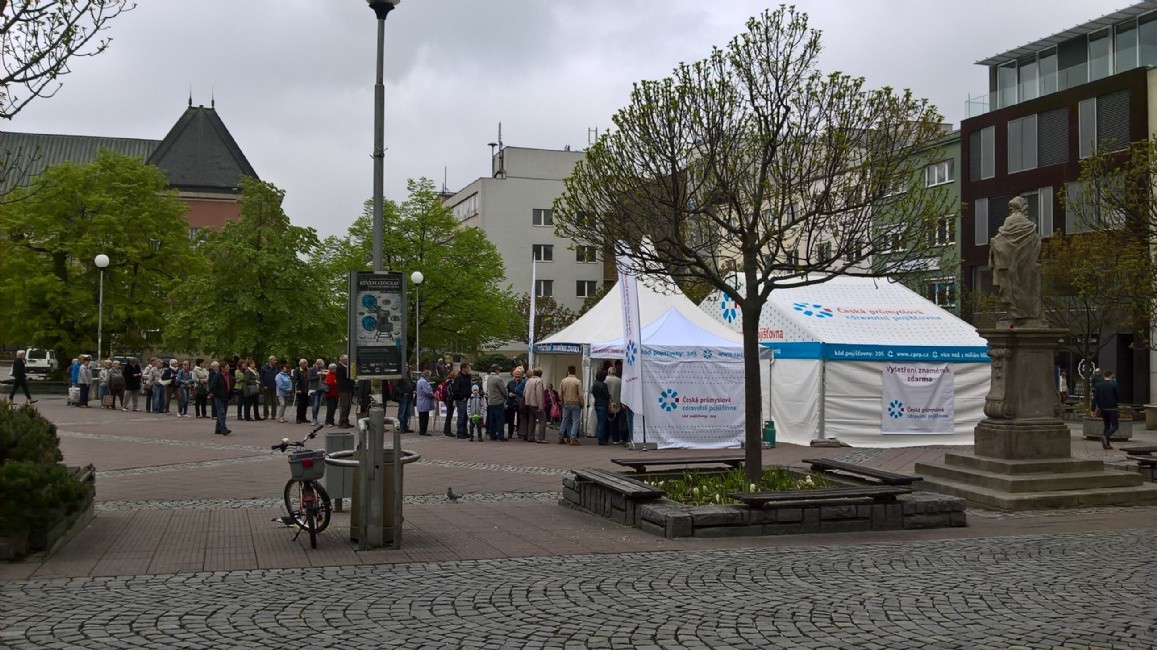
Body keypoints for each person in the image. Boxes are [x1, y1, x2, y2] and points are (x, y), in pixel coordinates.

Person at [989, 195, 1043, 324]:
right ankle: (1029, 313)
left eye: (1011, 208)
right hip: (1026, 265)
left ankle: (1016, 313)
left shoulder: (1010, 220)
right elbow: (1036, 244)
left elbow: (1000, 241)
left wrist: (993, 245)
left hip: (1011, 265)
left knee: (1011, 287)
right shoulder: (1030, 227)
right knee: (1027, 287)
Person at [1091, 370, 1122, 450]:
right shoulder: (1114, 384)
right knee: (1115, 426)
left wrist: (1093, 409)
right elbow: (1119, 397)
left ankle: (1107, 444)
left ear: (1104, 376)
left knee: (1107, 425)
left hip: (1103, 408)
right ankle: (1105, 436)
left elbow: (1095, 398)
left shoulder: (1099, 385)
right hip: (1112, 408)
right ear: (1111, 375)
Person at [558, 365, 583, 445]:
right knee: (575, 421)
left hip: (566, 403)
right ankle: (572, 438)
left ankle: (561, 437)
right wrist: (582, 403)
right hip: (576, 403)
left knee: (565, 420)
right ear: (575, 372)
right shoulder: (578, 381)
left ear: (568, 371)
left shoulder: (563, 381)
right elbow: (580, 395)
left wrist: (561, 401)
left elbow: (560, 393)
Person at [483, 365, 509, 441]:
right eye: (499, 370)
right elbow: (503, 390)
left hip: (491, 401)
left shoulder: (489, 378)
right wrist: (506, 395)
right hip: (498, 401)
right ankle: (501, 435)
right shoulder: (497, 378)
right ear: (496, 370)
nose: (499, 371)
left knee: (492, 419)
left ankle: (492, 435)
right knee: (500, 419)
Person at [207, 361, 231, 435]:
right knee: (221, 413)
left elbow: (230, 385)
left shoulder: (228, 375)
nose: (228, 369)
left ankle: (218, 429)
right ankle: (224, 429)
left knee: (223, 413)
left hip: (226, 397)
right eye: (226, 368)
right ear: (222, 368)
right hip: (219, 397)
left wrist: (231, 394)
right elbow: (212, 387)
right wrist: (217, 394)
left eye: (228, 368)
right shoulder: (218, 376)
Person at [451, 363, 474, 439]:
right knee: (461, 416)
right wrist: (462, 397)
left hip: (467, 398)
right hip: (461, 400)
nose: (469, 369)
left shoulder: (467, 377)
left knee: (466, 416)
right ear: (463, 368)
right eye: (468, 367)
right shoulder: (459, 378)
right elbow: (456, 389)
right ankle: (460, 432)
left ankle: (464, 431)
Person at [523, 367, 544, 443]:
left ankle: (530, 436)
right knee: (543, 419)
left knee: (532, 419)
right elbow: (539, 394)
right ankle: (541, 438)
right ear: (541, 374)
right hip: (535, 403)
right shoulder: (539, 381)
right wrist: (540, 406)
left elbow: (525, 392)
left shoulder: (528, 380)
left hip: (528, 403)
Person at [590, 369, 611, 445]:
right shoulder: (604, 385)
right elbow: (606, 395)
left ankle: (600, 437)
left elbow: (593, 393)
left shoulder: (594, 384)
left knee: (599, 422)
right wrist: (609, 396)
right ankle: (601, 439)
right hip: (603, 404)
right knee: (602, 423)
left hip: (597, 403)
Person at [605, 365, 624, 444]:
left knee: (606, 422)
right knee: (615, 423)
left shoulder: (604, 380)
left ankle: (605, 439)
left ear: (608, 372)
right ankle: (616, 439)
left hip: (606, 403)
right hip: (616, 404)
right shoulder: (619, 381)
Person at [505, 366, 524, 440]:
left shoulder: (522, 382)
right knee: (510, 419)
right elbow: (507, 391)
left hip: (519, 402)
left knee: (520, 418)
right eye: (516, 376)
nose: (517, 378)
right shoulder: (510, 383)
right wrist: (509, 394)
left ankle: (519, 433)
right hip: (511, 402)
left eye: (518, 376)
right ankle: (510, 433)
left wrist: (517, 395)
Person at [395, 364, 415, 432]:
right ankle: (400, 427)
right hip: (404, 396)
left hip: (409, 395)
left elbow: (411, 383)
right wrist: (402, 393)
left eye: (407, 366)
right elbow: (396, 386)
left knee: (407, 413)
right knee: (402, 412)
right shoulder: (400, 375)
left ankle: (405, 427)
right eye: (405, 366)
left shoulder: (408, 374)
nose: (407, 367)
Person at [259, 355, 279, 421]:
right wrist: (263, 385)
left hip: (274, 387)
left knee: (274, 402)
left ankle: (273, 415)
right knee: (266, 402)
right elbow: (261, 378)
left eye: (275, 360)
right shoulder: (263, 368)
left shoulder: (276, 368)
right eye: (274, 360)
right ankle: (265, 415)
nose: (275, 361)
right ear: (270, 360)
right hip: (266, 387)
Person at [416, 370, 435, 436]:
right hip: (424, 401)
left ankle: (422, 430)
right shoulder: (423, 382)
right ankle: (423, 431)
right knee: (424, 417)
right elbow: (427, 391)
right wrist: (433, 395)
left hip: (421, 401)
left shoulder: (419, 381)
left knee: (421, 417)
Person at [292, 358, 310, 424]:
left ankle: (303, 418)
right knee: (300, 404)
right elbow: (296, 380)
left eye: (307, 363)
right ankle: (298, 418)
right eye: (305, 363)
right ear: (301, 364)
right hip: (300, 390)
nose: (306, 364)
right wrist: (298, 389)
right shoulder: (297, 370)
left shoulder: (308, 370)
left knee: (305, 404)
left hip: (307, 390)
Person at [308, 359, 326, 426]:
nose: (321, 367)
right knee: (315, 405)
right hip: (314, 389)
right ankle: (313, 419)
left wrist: (324, 376)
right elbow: (309, 378)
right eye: (320, 366)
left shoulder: (322, 369)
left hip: (321, 389)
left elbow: (323, 379)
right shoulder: (311, 369)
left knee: (318, 405)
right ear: (317, 364)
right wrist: (318, 376)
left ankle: (315, 418)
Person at [441, 370, 458, 437]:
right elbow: (450, 391)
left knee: (449, 415)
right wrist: (452, 397)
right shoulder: (451, 382)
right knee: (449, 415)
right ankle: (447, 431)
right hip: (450, 400)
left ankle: (446, 430)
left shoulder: (448, 381)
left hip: (448, 399)